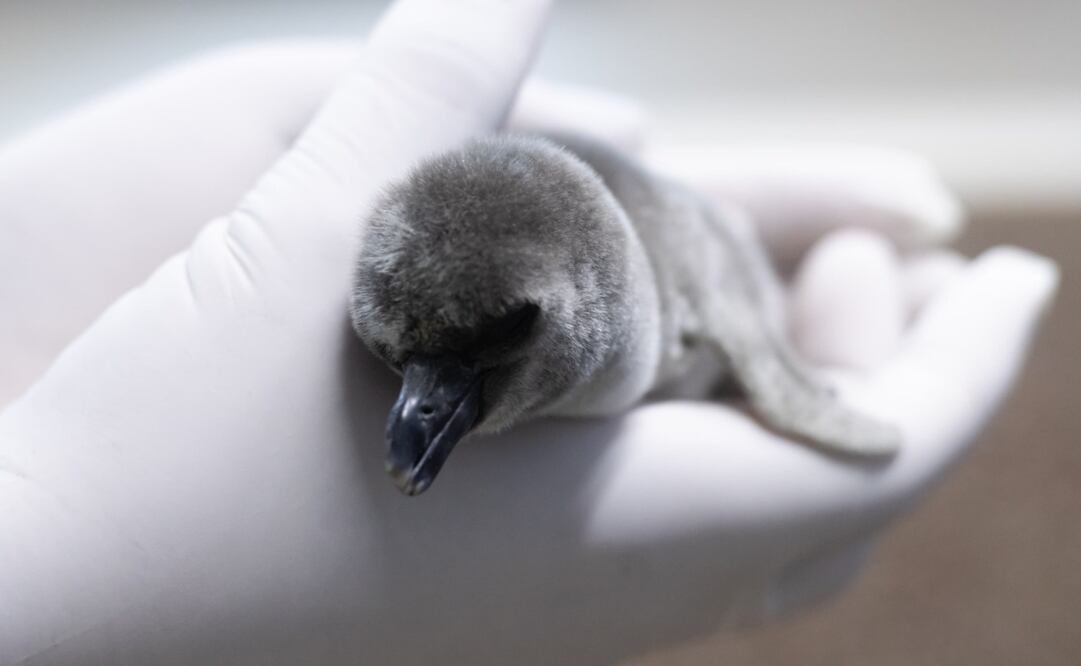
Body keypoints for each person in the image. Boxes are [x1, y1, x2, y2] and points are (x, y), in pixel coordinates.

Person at [0, 1, 1058, 664]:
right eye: (399, 352)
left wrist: (776, 373)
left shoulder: (590, 288)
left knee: (830, 270)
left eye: (497, 334)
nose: (420, 405)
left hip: (685, 275)